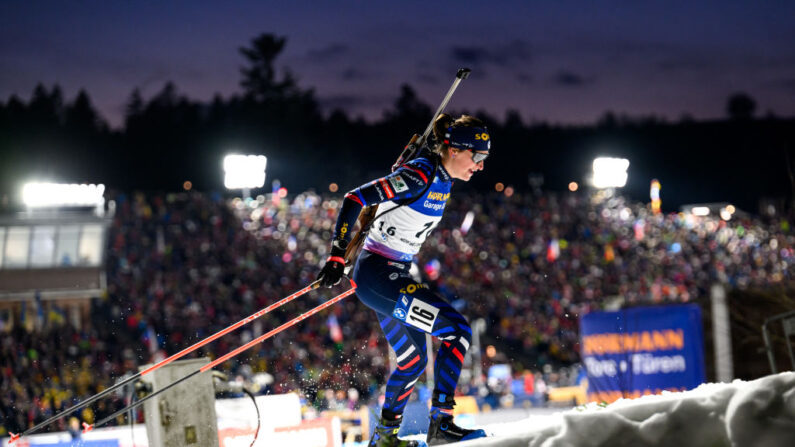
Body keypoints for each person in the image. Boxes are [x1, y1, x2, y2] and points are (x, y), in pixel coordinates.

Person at [318, 114, 490, 446]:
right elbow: (354, 198)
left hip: (389, 276)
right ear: (455, 150)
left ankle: (384, 440)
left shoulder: (439, 174)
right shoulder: (421, 174)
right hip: (378, 275)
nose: (481, 166)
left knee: (413, 360)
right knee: (457, 331)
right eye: (477, 156)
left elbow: (405, 185)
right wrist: (337, 255)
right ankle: (441, 422)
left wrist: (411, 158)